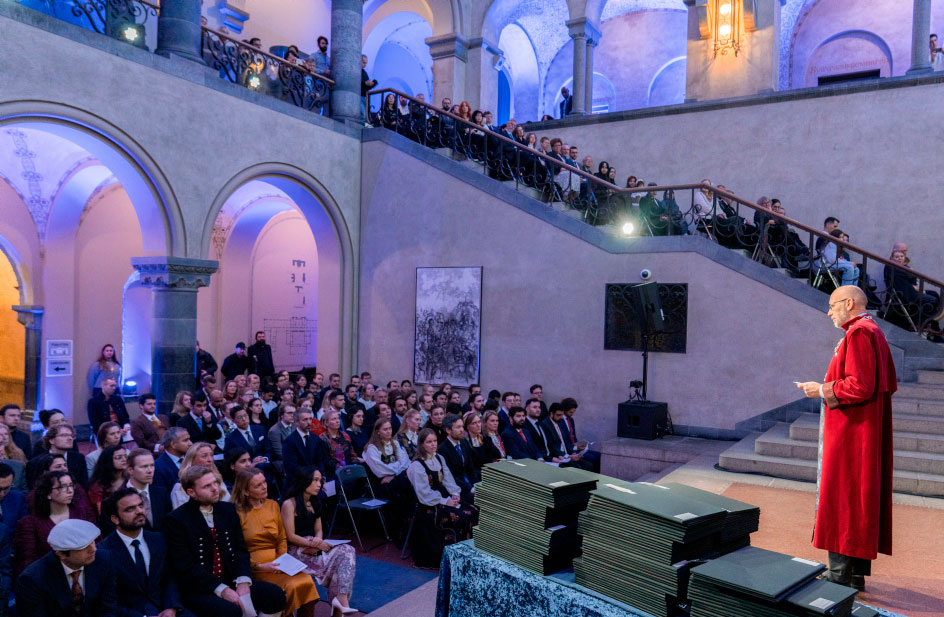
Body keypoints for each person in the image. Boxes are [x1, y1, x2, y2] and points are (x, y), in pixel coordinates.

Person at [795, 286, 896, 592]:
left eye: (832, 305)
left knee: (843, 497)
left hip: (853, 433)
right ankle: (853, 573)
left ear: (849, 303)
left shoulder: (860, 334)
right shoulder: (868, 331)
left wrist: (822, 389)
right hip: (861, 430)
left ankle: (839, 574)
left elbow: (860, 385)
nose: (829, 312)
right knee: (856, 498)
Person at [164, 465, 287, 617]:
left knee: (276, 596)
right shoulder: (177, 519)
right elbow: (185, 567)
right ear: (191, 492)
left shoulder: (227, 510)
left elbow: (241, 549)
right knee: (231, 611)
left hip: (232, 579)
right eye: (207, 486)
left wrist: (243, 580)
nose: (215, 488)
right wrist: (221, 589)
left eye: (215, 482)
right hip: (200, 588)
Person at [232, 468, 319, 617]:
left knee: (306, 581)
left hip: (278, 561)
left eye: (264, 482)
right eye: (258, 485)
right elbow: (236, 549)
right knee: (291, 585)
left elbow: (281, 537)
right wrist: (258, 566)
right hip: (255, 566)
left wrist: (282, 558)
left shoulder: (272, 505)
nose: (265, 486)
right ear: (246, 491)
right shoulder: (235, 513)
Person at [280, 466, 358, 615]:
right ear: (304, 481)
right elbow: (290, 536)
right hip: (295, 550)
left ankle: (341, 598)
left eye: (320, 480)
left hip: (313, 546)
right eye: (315, 480)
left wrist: (318, 542)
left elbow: (318, 530)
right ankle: (339, 604)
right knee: (338, 565)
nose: (319, 484)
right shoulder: (289, 504)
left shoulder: (315, 502)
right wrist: (312, 544)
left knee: (348, 550)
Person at [99, 487, 183, 616]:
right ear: (115, 519)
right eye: (130, 509)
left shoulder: (159, 539)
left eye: (140, 505)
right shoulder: (104, 551)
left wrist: (171, 607)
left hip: (166, 609)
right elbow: (107, 601)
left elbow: (171, 578)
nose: (139, 511)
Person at [406, 429, 478, 568]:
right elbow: (424, 494)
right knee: (459, 516)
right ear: (421, 444)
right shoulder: (417, 466)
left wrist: (455, 494)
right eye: (429, 442)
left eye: (435, 441)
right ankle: (454, 559)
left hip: (443, 497)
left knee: (473, 510)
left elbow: (448, 480)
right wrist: (445, 501)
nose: (433, 445)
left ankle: (470, 554)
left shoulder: (439, 458)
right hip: (428, 505)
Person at [15, 518, 117, 616]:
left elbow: (108, 609)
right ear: (61, 554)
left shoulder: (104, 560)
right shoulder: (32, 579)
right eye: (84, 547)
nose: (94, 549)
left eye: (93, 541)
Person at [13, 470, 96, 575]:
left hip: (86, 571)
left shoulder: (83, 513)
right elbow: (27, 561)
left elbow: (97, 543)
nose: (70, 491)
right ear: (48, 493)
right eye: (62, 487)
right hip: (48, 576)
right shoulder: (30, 523)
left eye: (71, 485)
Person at [362, 418, 412, 534]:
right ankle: (397, 528)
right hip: (379, 483)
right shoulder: (372, 448)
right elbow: (380, 470)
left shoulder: (394, 443)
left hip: (393, 479)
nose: (389, 431)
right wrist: (397, 466)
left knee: (406, 483)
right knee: (398, 488)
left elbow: (406, 462)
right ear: (378, 431)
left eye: (390, 428)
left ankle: (407, 522)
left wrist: (394, 474)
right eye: (385, 429)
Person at [170, 442, 230, 509]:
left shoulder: (217, 479)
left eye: (211, 455)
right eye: (204, 456)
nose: (210, 460)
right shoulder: (180, 487)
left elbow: (228, 503)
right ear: (192, 460)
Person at [125, 448, 172, 531]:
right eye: (144, 466)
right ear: (130, 470)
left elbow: (170, 524)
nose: (150, 471)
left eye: (152, 465)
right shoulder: (116, 498)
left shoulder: (162, 493)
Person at [282, 408, 334, 481]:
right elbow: (293, 468)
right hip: (299, 481)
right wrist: (313, 477)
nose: (309, 422)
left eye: (310, 419)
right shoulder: (289, 441)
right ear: (296, 422)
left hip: (316, 478)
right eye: (305, 420)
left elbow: (320, 461)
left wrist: (321, 477)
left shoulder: (316, 438)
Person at [437, 414, 474, 502]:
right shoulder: (442, 450)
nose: (462, 430)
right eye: (458, 427)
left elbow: (470, 467)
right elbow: (452, 476)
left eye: (462, 426)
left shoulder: (464, 442)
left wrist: (476, 484)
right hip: (458, 490)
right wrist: (470, 489)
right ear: (448, 430)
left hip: (470, 484)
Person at [87, 445, 128, 515]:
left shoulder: (130, 478)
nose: (124, 459)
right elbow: (100, 512)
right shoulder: (98, 486)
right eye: (119, 457)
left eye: (125, 456)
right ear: (108, 460)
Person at [153, 427, 191, 492]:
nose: (190, 443)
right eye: (185, 440)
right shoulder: (158, 467)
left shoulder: (193, 458)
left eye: (189, 439)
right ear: (173, 444)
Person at [266, 404, 296, 474]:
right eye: (289, 413)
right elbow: (279, 453)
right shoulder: (274, 431)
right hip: (282, 462)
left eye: (294, 413)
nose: (292, 415)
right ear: (282, 415)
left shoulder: (295, 426)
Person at [361, 54, 377, 121]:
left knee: (365, 115)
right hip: (359, 96)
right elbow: (354, 82)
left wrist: (373, 83)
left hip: (365, 96)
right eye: (364, 62)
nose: (365, 65)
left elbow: (366, 86)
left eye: (366, 63)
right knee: (362, 114)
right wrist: (365, 83)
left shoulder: (364, 73)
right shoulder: (355, 71)